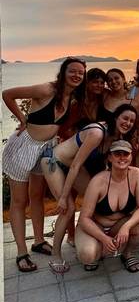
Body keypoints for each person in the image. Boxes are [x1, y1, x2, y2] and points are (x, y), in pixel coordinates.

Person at [2, 57, 86, 271]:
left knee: (37, 196)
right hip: (25, 147)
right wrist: (22, 119)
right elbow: (7, 94)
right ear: (63, 72)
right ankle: (21, 252)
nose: (76, 75)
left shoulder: (72, 98)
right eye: (72, 71)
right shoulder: (47, 90)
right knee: (19, 201)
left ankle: (38, 241)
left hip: (45, 150)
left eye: (80, 72)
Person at [40, 104, 138, 273]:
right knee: (68, 208)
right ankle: (56, 254)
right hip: (55, 162)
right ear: (116, 117)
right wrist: (63, 197)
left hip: (73, 167)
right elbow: (76, 165)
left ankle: (88, 233)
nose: (128, 123)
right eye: (125, 118)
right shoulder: (98, 132)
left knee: (95, 195)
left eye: (132, 121)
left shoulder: (116, 138)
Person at [76, 140, 139, 273]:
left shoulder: (137, 175)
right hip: (96, 225)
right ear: (110, 157)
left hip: (119, 225)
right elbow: (84, 218)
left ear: (131, 156)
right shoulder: (98, 181)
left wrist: (126, 227)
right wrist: (103, 238)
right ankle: (99, 250)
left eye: (125, 154)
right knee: (88, 255)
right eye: (117, 154)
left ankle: (127, 253)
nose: (122, 158)